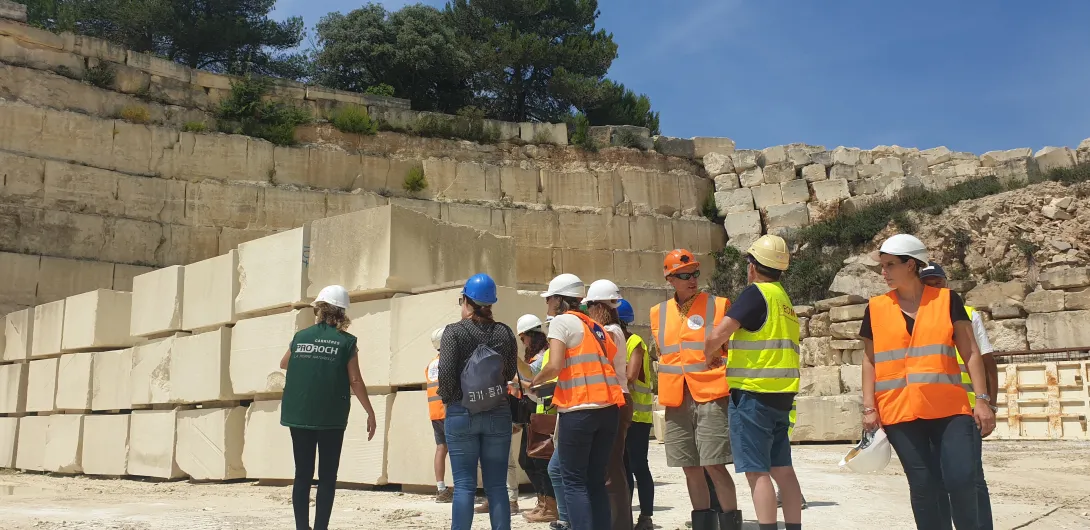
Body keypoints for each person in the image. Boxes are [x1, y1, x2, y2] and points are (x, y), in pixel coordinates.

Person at [860, 234, 997, 530]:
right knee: (924, 486)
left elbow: (971, 351)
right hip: (899, 412)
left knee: (961, 480)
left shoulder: (947, 300)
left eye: (889, 265)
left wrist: (983, 401)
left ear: (911, 265)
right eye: (882, 266)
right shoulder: (875, 308)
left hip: (950, 410)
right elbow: (870, 361)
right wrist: (869, 408)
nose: (883, 272)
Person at [704, 235, 803, 530]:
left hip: (753, 396)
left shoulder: (755, 294)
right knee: (782, 469)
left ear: (752, 266)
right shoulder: (783, 299)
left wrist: (708, 353)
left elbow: (718, 334)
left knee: (757, 472)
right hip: (780, 395)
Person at [650, 250, 740, 530]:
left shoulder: (719, 305)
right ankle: (702, 523)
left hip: (711, 394)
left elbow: (734, 351)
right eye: (684, 275)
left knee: (714, 464)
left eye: (695, 273)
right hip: (676, 397)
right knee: (689, 466)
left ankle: (730, 523)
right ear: (670, 279)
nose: (692, 279)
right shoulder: (657, 313)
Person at [279, 285, 378, 530]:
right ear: (343, 313)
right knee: (327, 477)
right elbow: (355, 380)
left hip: (299, 414)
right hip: (331, 418)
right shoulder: (346, 342)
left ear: (319, 309)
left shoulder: (300, 337)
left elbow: (284, 364)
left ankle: (302, 527)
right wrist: (370, 411)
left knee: (302, 475)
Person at [532, 273, 626, 530]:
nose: (547, 304)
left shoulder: (561, 322)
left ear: (560, 300)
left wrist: (533, 383)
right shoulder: (595, 327)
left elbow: (553, 366)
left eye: (550, 298)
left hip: (579, 411)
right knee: (595, 481)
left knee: (572, 481)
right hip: (608, 411)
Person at [437, 273, 519, 530]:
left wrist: (452, 402)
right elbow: (508, 373)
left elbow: (447, 374)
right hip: (497, 411)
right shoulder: (504, 333)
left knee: (463, 486)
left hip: (462, 413)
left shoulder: (453, 333)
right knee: (496, 486)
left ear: (467, 301)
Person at [920, 262, 997, 530]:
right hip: (931, 408)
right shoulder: (914, 315)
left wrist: (988, 403)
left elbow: (987, 362)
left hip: (967, 409)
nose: (934, 288)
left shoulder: (965, 313)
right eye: (927, 284)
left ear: (946, 284)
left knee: (971, 477)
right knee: (938, 477)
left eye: (938, 283)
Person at [583, 279, 634, 530]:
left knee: (612, 469)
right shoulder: (614, 330)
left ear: (598, 306)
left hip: (616, 399)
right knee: (612, 466)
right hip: (618, 399)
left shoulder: (610, 332)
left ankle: (618, 525)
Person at [515, 314, 560, 523]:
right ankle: (543, 502)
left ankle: (550, 505)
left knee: (539, 461)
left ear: (529, 336)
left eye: (522, 338)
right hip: (536, 410)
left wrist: (516, 381)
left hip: (545, 411)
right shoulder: (541, 356)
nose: (523, 343)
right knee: (529, 460)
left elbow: (535, 382)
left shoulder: (546, 355)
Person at [617, 299, 656, 530]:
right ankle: (626, 517)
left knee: (638, 465)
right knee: (622, 467)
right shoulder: (616, 343)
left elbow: (631, 375)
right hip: (622, 415)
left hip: (638, 417)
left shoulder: (635, 342)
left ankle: (646, 517)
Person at [427, 327, 453, 503]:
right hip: (448, 410)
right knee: (459, 448)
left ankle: (441, 489)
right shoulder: (449, 361)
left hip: (434, 412)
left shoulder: (431, 364)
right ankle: (463, 486)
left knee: (441, 448)